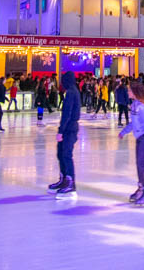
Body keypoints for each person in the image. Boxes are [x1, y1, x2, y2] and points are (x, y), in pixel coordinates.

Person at [50, 71, 81, 199]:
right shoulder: (73, 91)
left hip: (69, 128)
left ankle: (70, 183)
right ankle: (64, 179)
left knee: (66, 154)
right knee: (61, 153)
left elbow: (67, 114)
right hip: (69, 127)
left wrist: (61, 131)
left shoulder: (71, 93)